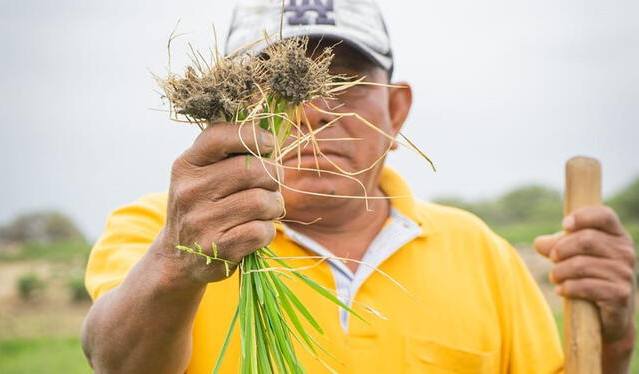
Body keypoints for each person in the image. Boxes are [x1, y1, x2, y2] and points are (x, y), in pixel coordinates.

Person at [81, 1, 636, 373]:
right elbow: (115, 361)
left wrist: (612, 342)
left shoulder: (478, 249)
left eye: (344, 83)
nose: (315, 112)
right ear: (227, 106)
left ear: (395, 111)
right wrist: (176, 265)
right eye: (278, 86)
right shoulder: (159, 229)